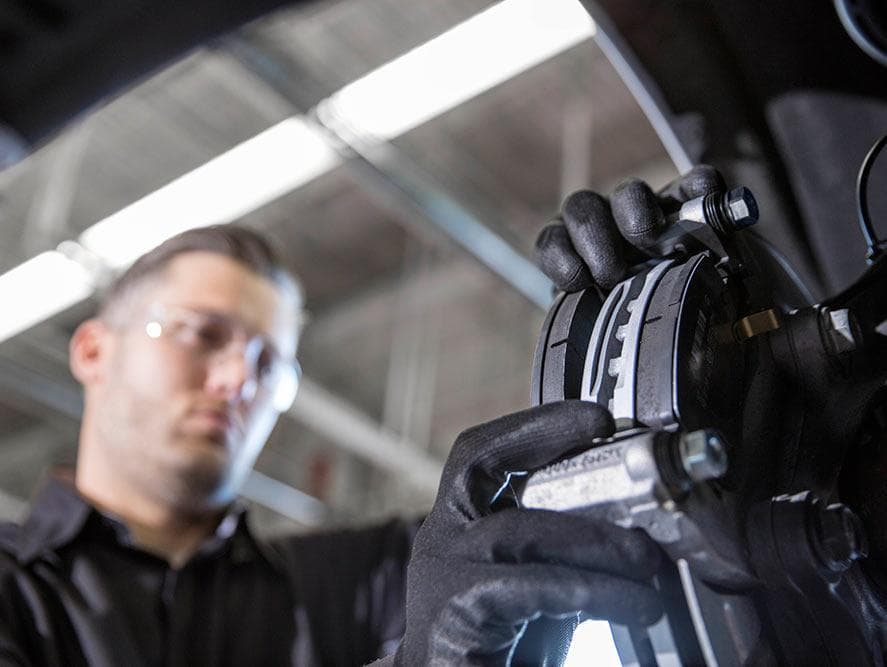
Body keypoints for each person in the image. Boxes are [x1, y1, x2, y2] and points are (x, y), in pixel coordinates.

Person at [0, 168, 723, 666]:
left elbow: (582, 524)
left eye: (267, 366)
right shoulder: (12, 589)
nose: (234, 379)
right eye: (203, 333)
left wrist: (656, 311)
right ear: (93, 349)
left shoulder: (368, 576)